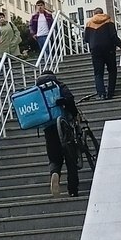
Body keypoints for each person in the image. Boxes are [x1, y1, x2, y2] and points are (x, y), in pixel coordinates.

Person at [40, 70, 81, 198]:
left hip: (48, 127)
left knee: (54, 157)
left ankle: (55, 173)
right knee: (71, 157)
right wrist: (74, 114)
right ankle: (72, 190)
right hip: (64, 126)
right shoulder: (58, 85)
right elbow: (70, 99)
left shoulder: (37, 91)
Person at [83, 8, 121, 100]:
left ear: (94, 14)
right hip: (109, 49)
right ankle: (110, 92)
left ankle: (101, 94)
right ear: (102, 13)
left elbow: (86, 39)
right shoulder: (109, 21)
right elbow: (113, 36)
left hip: (95, 50)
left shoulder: (89, 23)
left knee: (98, 73)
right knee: (112, 70)